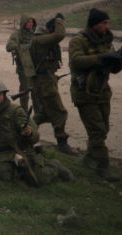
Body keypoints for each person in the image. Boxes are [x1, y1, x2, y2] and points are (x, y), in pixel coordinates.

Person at [0, 78, 73, 187]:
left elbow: (35, 137)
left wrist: (29, 133)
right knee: (1, 173)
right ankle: (19, 173)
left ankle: (54, 166)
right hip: (0, 155)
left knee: (40, 179)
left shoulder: (15, 111)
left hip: (21, 151)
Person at [68, 8, 122, 182]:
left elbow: (113, 69)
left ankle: (89, 158)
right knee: (97, 131)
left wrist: (119, 59)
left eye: (108, 23)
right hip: (84, 92)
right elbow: (76, 61)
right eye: (103, 23)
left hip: (102, 91)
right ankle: (103, 168)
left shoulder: (106, 40)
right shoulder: (78, 41)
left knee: (103, 129)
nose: (107, 26)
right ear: (94, 24)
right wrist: (102, 57)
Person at [30, 14, 77, 155]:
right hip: (44, 82)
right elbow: (59, 35)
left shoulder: (40, 39)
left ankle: (25, 132)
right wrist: (59, 20)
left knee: (44, 113)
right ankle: (62, 142)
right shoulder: (40, 40)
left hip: (47, 79)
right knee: (59, 112)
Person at [5, 14, 37, 111]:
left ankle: (38, 111)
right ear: (23, 23)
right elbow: (9, 46)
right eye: (28, 22)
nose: (30, 24)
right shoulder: (17, 34)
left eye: (32, 22)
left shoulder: (34, 34)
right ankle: (24, 110)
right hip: (23, 67)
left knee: (36, 90)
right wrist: (22, 47)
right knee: (25, 91)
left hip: (35, 66)